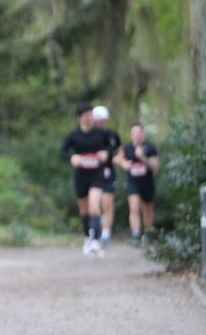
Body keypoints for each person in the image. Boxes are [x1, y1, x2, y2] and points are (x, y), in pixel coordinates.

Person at [60, 103, 109, 256]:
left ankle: (96, 240)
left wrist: (106, 154)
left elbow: (113, 148)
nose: (89, 118)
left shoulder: (101, 134)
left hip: (97, 175)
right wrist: (71, 157)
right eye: (85, 116)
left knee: (94, 206)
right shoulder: (73, 135)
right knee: (84, 210)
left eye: (90, 115)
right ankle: (88, 237)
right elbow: (62, 152)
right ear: (79, 118)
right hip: (81, 176)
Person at [116, 123, 160, 241]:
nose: (137, 135)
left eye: (139, 133)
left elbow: (155, 166)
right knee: (134, 207)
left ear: (143, 133)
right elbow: (117, 159)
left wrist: (142, 157)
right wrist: (123, 163)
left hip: (147, 182)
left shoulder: (150, 147)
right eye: (134, 133)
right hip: (133, 183)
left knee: (147, 209)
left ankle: (148, 233)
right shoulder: (127, 148)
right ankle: (136, 234)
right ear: (131, 134)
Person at [91, 105, 121, 248]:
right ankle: (93, 233)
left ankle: (105, 233)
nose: (99, 122)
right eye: (97, 120)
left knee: (107, 203)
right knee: (94, 204)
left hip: (108, 173)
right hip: (92, 173)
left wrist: (114, 158)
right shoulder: (88, 135)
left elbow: (120, 152)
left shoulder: (112, 135)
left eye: (101, 120)